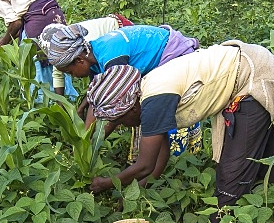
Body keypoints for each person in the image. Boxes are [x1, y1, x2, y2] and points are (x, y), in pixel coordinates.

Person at [85, 41, 274, 210]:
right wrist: (134, 192)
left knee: (233, 173)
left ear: (130, 108)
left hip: (252, 76)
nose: (123, 125)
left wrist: (107, 184)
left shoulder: (154, 100)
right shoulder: (146, 96)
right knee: (262, 159)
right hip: (246, 64)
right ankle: (268, 208)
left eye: (121, 120)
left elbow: (144, 165)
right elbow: (160, 158)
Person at [47, 22, 203, 161]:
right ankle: (150, 169)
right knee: (150, 121)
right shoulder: (95, 57)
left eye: (70, 72)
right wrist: (85, 139)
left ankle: (172, 163)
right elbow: (96, 102)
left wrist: (92, 144)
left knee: (156, 118)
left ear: (80, 60)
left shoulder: (112, 57)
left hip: (173, 57)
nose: (72, 76)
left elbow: (118, 106)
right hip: (156, 63)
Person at [37, 14, 133, 98]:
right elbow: (57, 73)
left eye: (71, 72)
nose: (73, 76)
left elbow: (108, 81)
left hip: (121, 32)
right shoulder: (64, 47)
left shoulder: (82, 44)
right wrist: (61, 104)